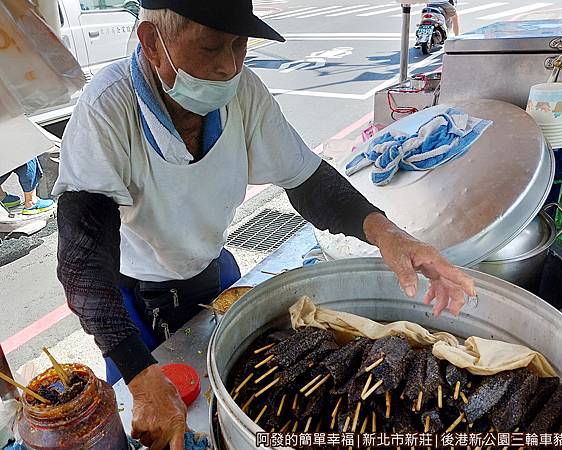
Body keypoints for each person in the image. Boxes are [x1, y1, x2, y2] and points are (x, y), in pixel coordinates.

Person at [53, 0, 476, 448]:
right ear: (152, 43)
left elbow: (308, 181)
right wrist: (140, 378)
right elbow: (82, 265)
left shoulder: (244, 93)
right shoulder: (108, 107)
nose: (229, 67)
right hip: (129, 298)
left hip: (210, 268)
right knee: (148, 426)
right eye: (212, 47)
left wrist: (387, 233)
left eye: (240, 46)